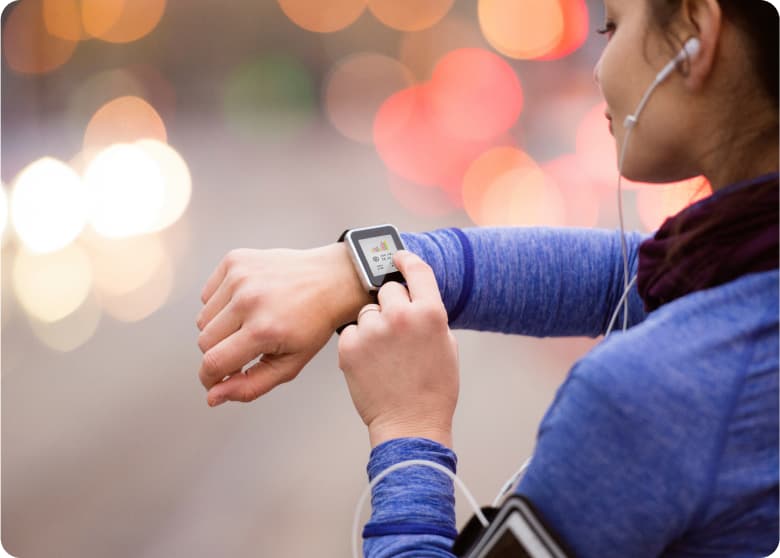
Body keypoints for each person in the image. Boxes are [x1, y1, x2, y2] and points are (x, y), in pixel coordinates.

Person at [195, 0, 779, 555]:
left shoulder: (649, 397)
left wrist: (407, 428)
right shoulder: (746, 273)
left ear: (697, 34)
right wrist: (355, 270)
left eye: (613, 26)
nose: (599, 68)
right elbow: (623, 275)